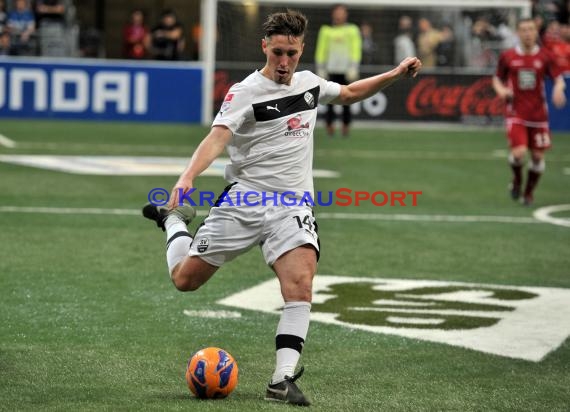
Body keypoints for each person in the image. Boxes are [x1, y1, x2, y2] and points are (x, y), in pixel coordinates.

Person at [142, 10, 421, 406]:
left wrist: (394, 74)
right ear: (264, 48)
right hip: (245, 200)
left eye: (291, 53)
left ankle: (282, 379)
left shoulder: (309, 84)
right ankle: (173, 222)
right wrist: (188, 176)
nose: (285, 63)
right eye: (277, 53)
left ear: (301, 49)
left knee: (300, 284)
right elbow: (217, 138)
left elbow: (351, 92)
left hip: (292, 205)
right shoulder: (244, 92)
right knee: (185, 280)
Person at [492, 18, 566, 206]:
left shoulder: (545, 56)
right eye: (523, 30)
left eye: (531, 29)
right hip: (516, 112)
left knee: (538, 157)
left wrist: (558, 88)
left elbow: (559, 78)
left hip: (539, 115)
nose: (527, 33)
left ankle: (528, 192)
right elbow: (497, 79)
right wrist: (501, 91)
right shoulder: (508, 56)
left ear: (536, 32)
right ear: (518, 33)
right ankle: (517, 180)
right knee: (518, 154)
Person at [315, 4, 362, 137]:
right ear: (333, 14)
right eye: (337, 12)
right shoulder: (326, 31)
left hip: (346, 71)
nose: (339, 14)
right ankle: (329, 126)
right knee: (329, 100)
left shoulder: (352, 30)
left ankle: (345, 126)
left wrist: (354, 66)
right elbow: (321, 49)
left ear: (346, 14)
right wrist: (321, 67)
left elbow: (356, 48)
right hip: (330, 70)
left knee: (348, 100)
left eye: (342, 12)